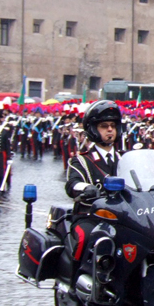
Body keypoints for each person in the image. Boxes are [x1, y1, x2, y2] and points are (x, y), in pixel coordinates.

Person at [65, 101, 122, 273]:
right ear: (93, 129)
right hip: (91, 216)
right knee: (85, 237)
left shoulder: (125, 159)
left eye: (113, 125)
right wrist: (85, 188)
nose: (110, 130)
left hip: (122, 217)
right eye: (104, 126)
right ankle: (76, 280)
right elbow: (72, 184)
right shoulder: (81, 160)